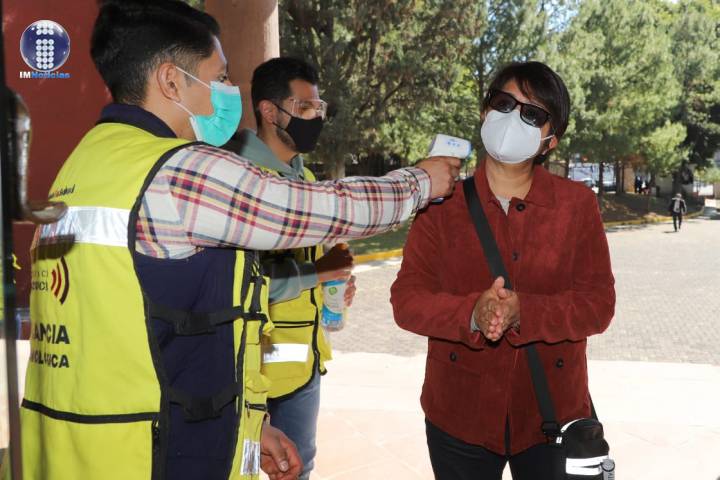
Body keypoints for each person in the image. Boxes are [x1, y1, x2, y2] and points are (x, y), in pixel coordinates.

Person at [22, 2, 459, 480]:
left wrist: (252, 426)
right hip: (152, 456)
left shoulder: (84, 165)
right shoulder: (176, 171)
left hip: (79, 448)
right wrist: (419, 182)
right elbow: (314, 210)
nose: (230, 92)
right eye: (220, 77)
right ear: (171, 81)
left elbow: (142, 329)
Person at [390, 61, 615, 480]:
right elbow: (407, 301)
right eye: (504, 103)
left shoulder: (576, 206)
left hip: (551, 417)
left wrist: (526, 312)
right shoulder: (441, 204)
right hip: (458, 414)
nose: (513, 118)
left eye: (532, 113)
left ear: (550, 140)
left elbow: (598, 306)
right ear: (485, 111)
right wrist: (470, 315)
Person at [223, 57, 356, 480]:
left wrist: (331, 284)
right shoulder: (241, 178)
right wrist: (318, 274)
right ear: (269, 111)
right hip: (249, 369)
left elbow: (309, 265)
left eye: (319, 107)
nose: (315, 117)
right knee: (241, 469)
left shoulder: (307, 181)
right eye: (304, 107)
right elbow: (241, 281)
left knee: (298, 469)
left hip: (303, 368)